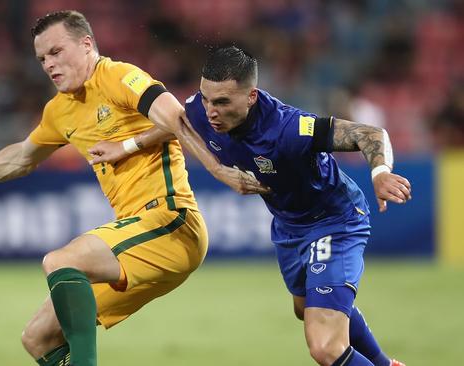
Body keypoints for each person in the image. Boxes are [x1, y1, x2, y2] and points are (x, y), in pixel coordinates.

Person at [0, 12, 261, 366]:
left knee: (61, 261)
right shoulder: (60, 110)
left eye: (56, 52)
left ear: (86, 45)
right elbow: (21, 157)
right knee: (39, 337)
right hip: (136, 234)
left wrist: (217, 169)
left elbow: (178, 117)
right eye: (42, 59)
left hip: (170, 221)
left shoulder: (117, 77)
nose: (49, 64)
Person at [88, 46, 410, 366]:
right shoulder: (203, 111)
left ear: (251, 97)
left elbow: (368, 134)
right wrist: (126, 146)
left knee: (325, 346)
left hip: (333, 222)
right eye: (206, 98)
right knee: (306, 308)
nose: (211, 110)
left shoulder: (289, 128)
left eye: (223, 102)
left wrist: (380, 173)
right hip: (288, 226)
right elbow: (180, 124)